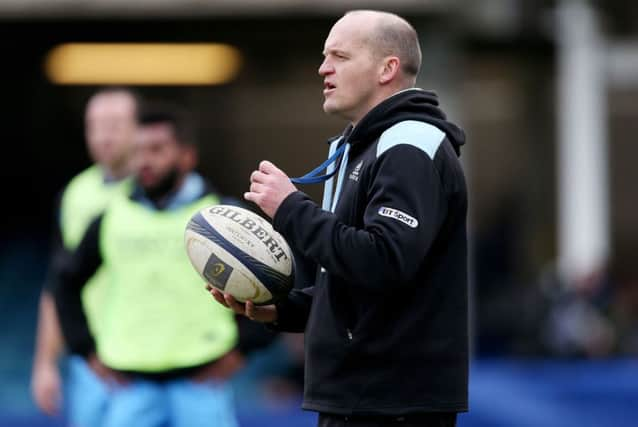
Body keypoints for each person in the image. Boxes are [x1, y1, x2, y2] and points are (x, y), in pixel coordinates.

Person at [210, 10, 469, 427]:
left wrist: (290, 207)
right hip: (360, 395)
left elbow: (384, 260)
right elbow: (353, 281)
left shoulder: (409, 147)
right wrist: (282, 310)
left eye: (340, 56)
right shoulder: (363, 146)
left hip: (393, 400)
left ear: (388, 68)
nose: (323, 68)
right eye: (324, 56)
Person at [54, 103, 243, 427]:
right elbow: (65, 282)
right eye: (139, 151)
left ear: (187, 156)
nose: (145, 161)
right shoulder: (111, 218)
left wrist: (244, 351)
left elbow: (268, 284)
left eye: (157, 150)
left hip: (203, 384)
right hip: (131, 388)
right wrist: (87, 352)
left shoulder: (223, 218)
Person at [31, 87, 139, 424]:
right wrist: (45, 363)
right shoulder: (74, 194)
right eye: (95, 125)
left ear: (139, 127)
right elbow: (58, 282)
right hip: (91, 358)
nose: (104, 135)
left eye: (115, 124)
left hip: (151, 354)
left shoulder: (163, 190)